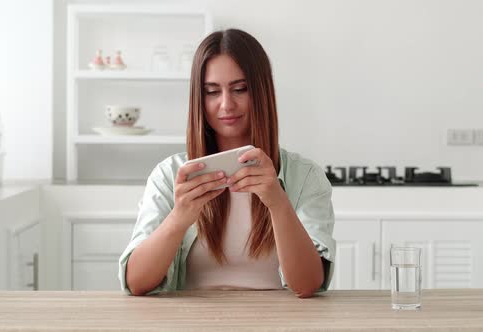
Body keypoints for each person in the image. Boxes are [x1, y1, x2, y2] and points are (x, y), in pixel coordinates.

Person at [118, 28, 335, 298]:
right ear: (199, 98)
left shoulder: (305, 177)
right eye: (211, 92)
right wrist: (178, 218)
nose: (226, 104)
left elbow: (307, 285)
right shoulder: (169, 175)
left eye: (240, 89)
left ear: (261, 92)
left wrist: (277, 202)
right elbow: (137, 283)